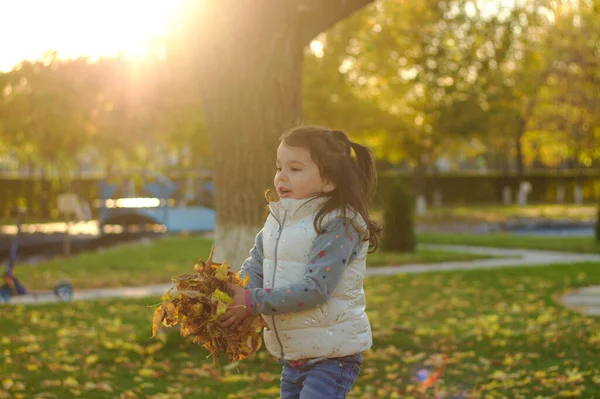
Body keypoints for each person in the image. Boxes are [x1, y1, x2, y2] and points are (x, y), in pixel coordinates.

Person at [219, 125, 382, 399]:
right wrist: (236, 289)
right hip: (294, 357)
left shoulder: (337, 224)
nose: (281, 177)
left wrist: (251, 301)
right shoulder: (279, 219)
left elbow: (316, 289)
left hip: (332, 356)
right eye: (279, 166)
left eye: (295, 169)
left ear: (329, 180)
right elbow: (257, 263)